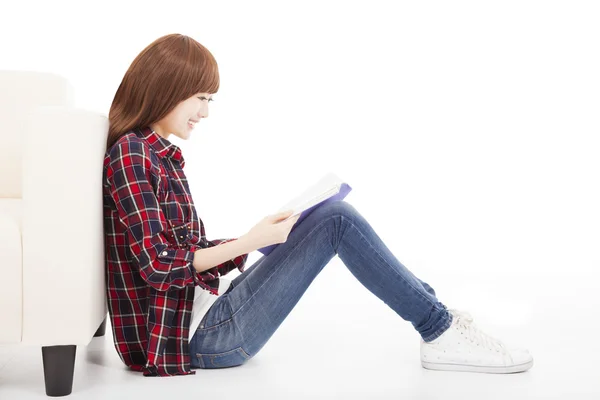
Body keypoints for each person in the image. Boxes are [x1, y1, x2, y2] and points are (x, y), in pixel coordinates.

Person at [103, 33, 533, 377]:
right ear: (166, 89)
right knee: (337, 220)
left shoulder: (154, 153)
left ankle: (439, 324)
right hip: (193, 338)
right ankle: (440, 331)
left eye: (209, 100)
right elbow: (158, 265)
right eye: (200, 98)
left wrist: (256, 237)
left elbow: (175, 254)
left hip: (200, 316)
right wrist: (252, 240)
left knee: (327, 215)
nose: (206, 112)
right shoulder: (133, 154)